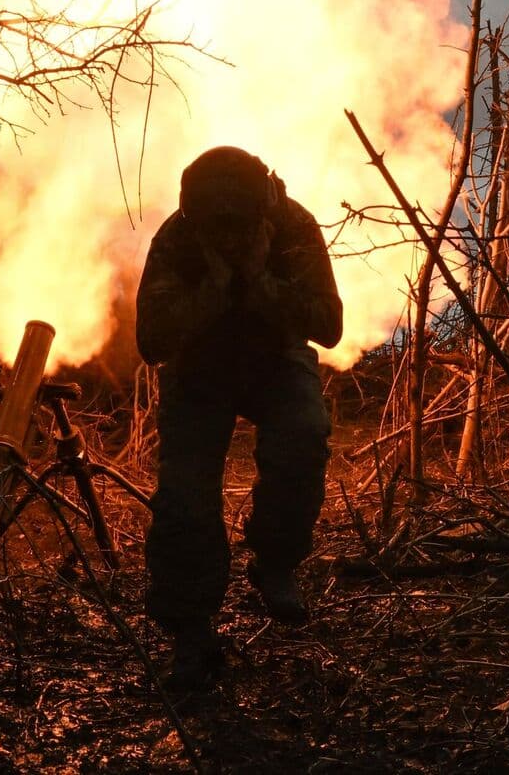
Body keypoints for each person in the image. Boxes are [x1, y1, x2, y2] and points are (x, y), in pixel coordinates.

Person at [135, 145, 343, 690]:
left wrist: (257, 281)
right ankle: (191, 629)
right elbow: (152, 340)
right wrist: (214, 289)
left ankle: (275, 561)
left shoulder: (292, 225)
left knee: (303, 436)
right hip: (199, 369)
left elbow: (327, 324)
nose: (225, 236)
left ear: (262, 213)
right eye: (215, 228)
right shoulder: (177, 239)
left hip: (275, 359)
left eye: (237, 226)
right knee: (184, 493)